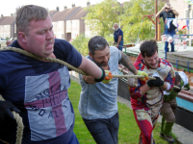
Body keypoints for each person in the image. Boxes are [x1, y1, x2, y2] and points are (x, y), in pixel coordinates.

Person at [0, 5, 109, 144]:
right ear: (23, 37)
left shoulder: (62, 49)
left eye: (51, 29)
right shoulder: (5, 63)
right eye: (42, 32)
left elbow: (86, 65)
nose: (50, 37)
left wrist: (101, 75)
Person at [78, 36, 147, 144]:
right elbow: (87, 79)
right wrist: (100, 76)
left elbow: (122, 56)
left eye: (107, 54)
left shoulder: (113, 52)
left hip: (112, 111)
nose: (106, 59)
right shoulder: (86, 65)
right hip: (93, 115)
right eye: (100, 57)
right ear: (91, 55)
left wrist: (135, 71)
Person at [129, 40, 175, 144]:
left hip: (157, 104)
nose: (154, 62)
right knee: (147, 134)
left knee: (146, 134)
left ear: (158, 53)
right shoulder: (135, 70)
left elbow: (170, 87)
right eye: (150, 60)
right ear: (143, 57)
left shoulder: (167, 66)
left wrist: (161, 84)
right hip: (141, 106)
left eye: (155, 58)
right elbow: (134, 95)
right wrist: (149, 85)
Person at [160, 71, 190, 143]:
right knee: (171, 118)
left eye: (179, 83)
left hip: (172, 99)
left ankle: (163, 131)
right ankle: (166, 134)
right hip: (163, 100)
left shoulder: (183, 78)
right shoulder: (166, 80)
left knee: (169, 115)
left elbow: (187, 87)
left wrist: (182, 88)